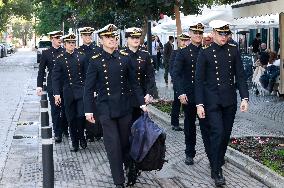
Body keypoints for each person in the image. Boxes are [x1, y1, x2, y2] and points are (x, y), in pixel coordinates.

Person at [84, 24, 147, 188]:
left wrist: (142, 103)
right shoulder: (95, 61)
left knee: (125, 143)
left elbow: (134, 83)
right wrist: (88, 110)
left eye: (114, 37)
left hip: (124, 108)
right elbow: (88, 88)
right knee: (113, 145)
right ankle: (118, 182)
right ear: (101, 40)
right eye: (108, 37)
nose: (112, 40)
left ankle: (129, 167)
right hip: (105, 109)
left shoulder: (125, 57)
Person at [195, 20, 249, 187]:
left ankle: (216, 160)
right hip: (212, 101)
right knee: (217, 132)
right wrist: (199, 104)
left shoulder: (233, 51)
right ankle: (217, 169)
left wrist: (245, 98)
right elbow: (199, 80)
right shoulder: (205, 53)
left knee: (225, 135)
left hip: (229, 100)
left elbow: (240, 75)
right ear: (213, 33)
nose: (224, 37)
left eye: (226, 34)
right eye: (221, 33)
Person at [173, 23, 211, 166]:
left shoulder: (207, 51)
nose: (198, 35)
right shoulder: (182, 53)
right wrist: (180, 92)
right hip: (189, 95)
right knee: (189, 127)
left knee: (207, 127)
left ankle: (212, 155)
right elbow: (176, 74)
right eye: (195, 32)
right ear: (189, 33)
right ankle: (190, 153)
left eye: (200, 33)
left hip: (205, 96)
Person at [52, 33, 88, 152]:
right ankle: (74, 142)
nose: (71, 45)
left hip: (81, 90)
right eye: (69, 43)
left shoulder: (82, 57)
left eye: (73, 43)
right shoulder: (60, 59)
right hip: (67, 92)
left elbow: (88, 75)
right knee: (71, 118)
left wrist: (90, 90)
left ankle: (81, 135)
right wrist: (57, 94)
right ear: (65, 44)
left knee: (81, 116)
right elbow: (55, 78)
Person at [36, 30, 68, 143]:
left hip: (66, 84)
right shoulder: (46, 53)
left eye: (60, 37)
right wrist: (39, 86)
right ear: (52, 39)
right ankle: (57, 133)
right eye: (57, 37)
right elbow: (41, 71)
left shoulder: (65, 51)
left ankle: (65, 129)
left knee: (66, 109)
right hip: (53, 86)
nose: (60, 39)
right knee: (55, 110)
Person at [121, 27, 156, 122]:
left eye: (137, 37)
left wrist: (149, 93)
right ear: (127, 39)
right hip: (125, 97)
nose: (136, 40)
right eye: (132, 38)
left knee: (139, 126)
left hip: (141, 96)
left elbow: (150, 76)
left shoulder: (145, 55)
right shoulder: (120, 55)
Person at [77, 26, 102, 142]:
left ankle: (97, 132)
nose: (88, 37)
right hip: (83, 85)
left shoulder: (97, 50)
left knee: (97, 109)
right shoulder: (78, 51)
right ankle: (89, 133)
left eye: (89, 35)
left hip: (96, 84)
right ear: (82, 36)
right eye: (85, 35)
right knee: (86, 109)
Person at [169, 33, 190, 131]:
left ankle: (188, 123)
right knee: (177, 103)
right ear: (179, 41)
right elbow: (172, 69)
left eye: (186, 40)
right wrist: (175, 81)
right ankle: (174, 123)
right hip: (179, 82)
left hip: (188, 82)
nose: (185, 42)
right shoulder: (175, 52)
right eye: (183, 40)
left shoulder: (190, 52)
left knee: (189, 104)